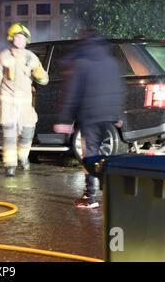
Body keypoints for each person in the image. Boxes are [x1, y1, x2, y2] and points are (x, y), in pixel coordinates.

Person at [53, 30, 125, 208]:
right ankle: (110, 193)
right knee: (103, 155)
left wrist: (64, 119)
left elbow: (72, 95)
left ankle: (90, 197)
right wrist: (117, 116)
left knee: (91, 155)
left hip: (90, 116)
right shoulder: (112, 62)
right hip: (108, 116)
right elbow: (119, 89)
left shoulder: (81, 63)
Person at [0, 23, 49, 176]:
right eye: (17, 37)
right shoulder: (3, 56)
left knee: (28, 132)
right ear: (11, 38)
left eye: (22, 37)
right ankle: (10, 165)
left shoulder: (32, 57)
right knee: (9, 134)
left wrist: (40, 74)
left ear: (26, 40)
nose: (20, 40)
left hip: (25, 103)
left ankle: (23, 156)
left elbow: (44, 79)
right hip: (7, 101)